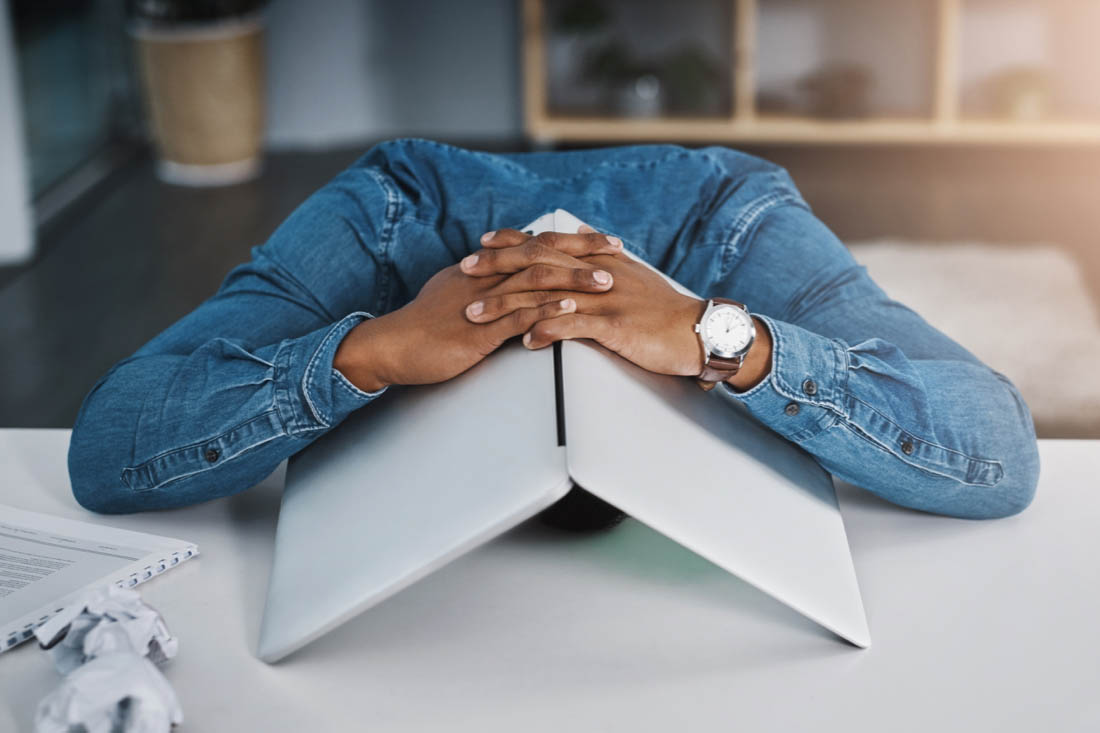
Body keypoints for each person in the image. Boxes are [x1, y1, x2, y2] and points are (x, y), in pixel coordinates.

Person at [68, 139, 1039, 520]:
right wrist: (367, 348)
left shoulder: (737, 225)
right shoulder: (378, 218)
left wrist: (723, 336)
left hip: (702, 204)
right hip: (413, 197)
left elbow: (997, 450)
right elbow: (111, 446)